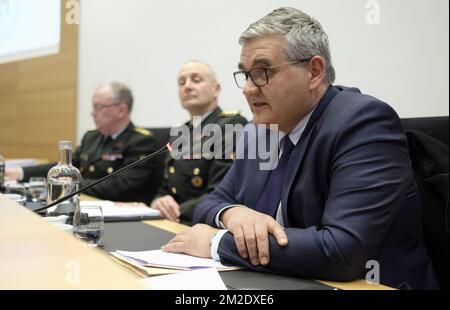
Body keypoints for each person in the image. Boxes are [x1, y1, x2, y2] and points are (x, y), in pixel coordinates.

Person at [161, 8, 438, 289]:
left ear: (314, 72)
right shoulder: (259, 132)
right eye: (245, 75)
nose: (247, 89)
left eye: (262, 72)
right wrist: (234, 213)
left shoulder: (364, 123)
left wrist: (216, 241)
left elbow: (341, 251)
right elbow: (209, 204)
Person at [6, 82, 161, 204]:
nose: (92, 113)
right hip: (83, 204)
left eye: (98, 107)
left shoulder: (141, 141)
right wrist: (21, 172)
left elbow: (120, 186)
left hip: (116, 214)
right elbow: (65, 167)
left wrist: (72, 184)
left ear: (121, 110)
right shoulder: (91, 137)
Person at [150, 60, 247, 223]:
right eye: (182, 82)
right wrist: (158, 202)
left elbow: (221, 192)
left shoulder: (231, 125)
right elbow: (165, 189)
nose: (187, 86)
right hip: (172, 221)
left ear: (216, 89)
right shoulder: (180, 133)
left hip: (203, 222)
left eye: (196, 80)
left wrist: (176, 211)